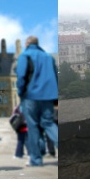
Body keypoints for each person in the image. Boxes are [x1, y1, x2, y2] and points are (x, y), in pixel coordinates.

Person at [15, 36, 59, 167]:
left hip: (31, 96)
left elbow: (21, 77)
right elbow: (55, 78)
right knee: (48, 124)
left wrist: (20, 92)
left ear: (27, 44)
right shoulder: (48, 57)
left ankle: (36, 159)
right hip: (48, 97)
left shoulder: (25, 55)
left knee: (33, 127)